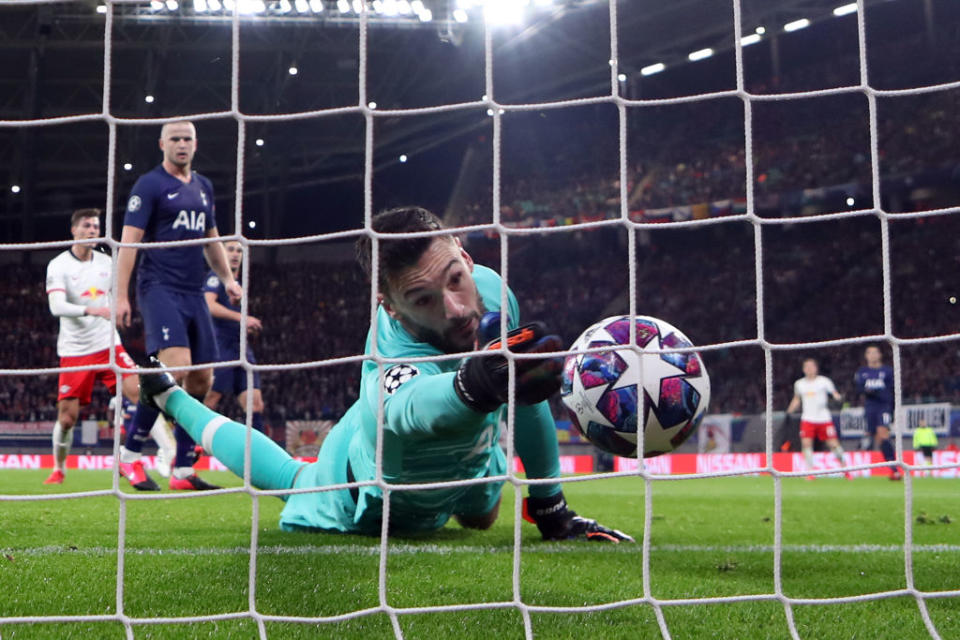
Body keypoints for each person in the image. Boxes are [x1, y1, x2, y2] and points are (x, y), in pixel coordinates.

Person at [136, 207, 632, 541]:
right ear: (389, 307)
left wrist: (549, 506)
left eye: (456, 278)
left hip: (471, 457)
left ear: (464, 252)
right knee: (293, 478)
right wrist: (477, 382)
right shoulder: (389, 357)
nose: (458, 309)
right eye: (422, 300)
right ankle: (172, 399)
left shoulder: (493, 291)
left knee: (482, 517)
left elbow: (524, 393)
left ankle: (495, 491)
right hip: (372, 482)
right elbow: (410, 409)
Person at [115, 120, 242, 491]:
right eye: (175, 139)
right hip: (159, 287)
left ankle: (183, 471)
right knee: (176, 367)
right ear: (162, 144)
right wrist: (121, 294)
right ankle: (129, 457)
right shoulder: (149, 185)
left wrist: (229, 279)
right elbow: (129, 244)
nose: (182, 144)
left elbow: (212, 241)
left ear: (196, 143)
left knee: (204, 378)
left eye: (187, 138)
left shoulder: (204, 188)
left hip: (192, 290)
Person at [43, 209, 140, 485]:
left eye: (95, 226)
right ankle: (59, 468)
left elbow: (118, 296)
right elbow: (56, 306)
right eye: (86, 226)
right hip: (75, 350)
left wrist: (120, 307)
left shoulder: (109, 262)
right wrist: (92, 310)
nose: (91, 230)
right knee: (67, 419)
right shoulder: (58, 265)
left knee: (139, 393)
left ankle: (158, 458)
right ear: (73, 230)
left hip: (108, 343)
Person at [202, 240, 266, 434]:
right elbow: (209, 305)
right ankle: (186, 447)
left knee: (255, 404)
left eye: (240, 250)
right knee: (210, 399)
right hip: (220, 347)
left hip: (241, 348)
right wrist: (242, 318)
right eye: (230, 249)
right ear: (221, 253)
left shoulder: (240, 284)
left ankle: (256, 456)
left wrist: (248, 327)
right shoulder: (216, 276)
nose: (236, 254)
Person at [786, 358, 851, 480]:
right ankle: (810, 472)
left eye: (811, 366)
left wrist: (839, 398)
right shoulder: (799, 384)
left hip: (823, 418)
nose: (809, 369)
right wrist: (789, 411)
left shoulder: (824, 381)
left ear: (816, 368)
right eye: (807, 367)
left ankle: (845, 469)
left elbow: (834, 393)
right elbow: (796, 399)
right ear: (803, 369)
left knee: (833, 444)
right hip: (807, 418)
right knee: (806, 444)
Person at [854, 345, 900, 480]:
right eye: (870, 353)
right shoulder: (862, 372)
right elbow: (859, 390)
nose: (873, 355)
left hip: (884, 406)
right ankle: (893, 468)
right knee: (879, 439)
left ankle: (895, 469)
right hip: (870, 407)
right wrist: (867, 391)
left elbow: (894, 389)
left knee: (882, 432)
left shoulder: (888, 371)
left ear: (880, 355)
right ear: (866, 356)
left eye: (875, 352)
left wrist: (892, 408)